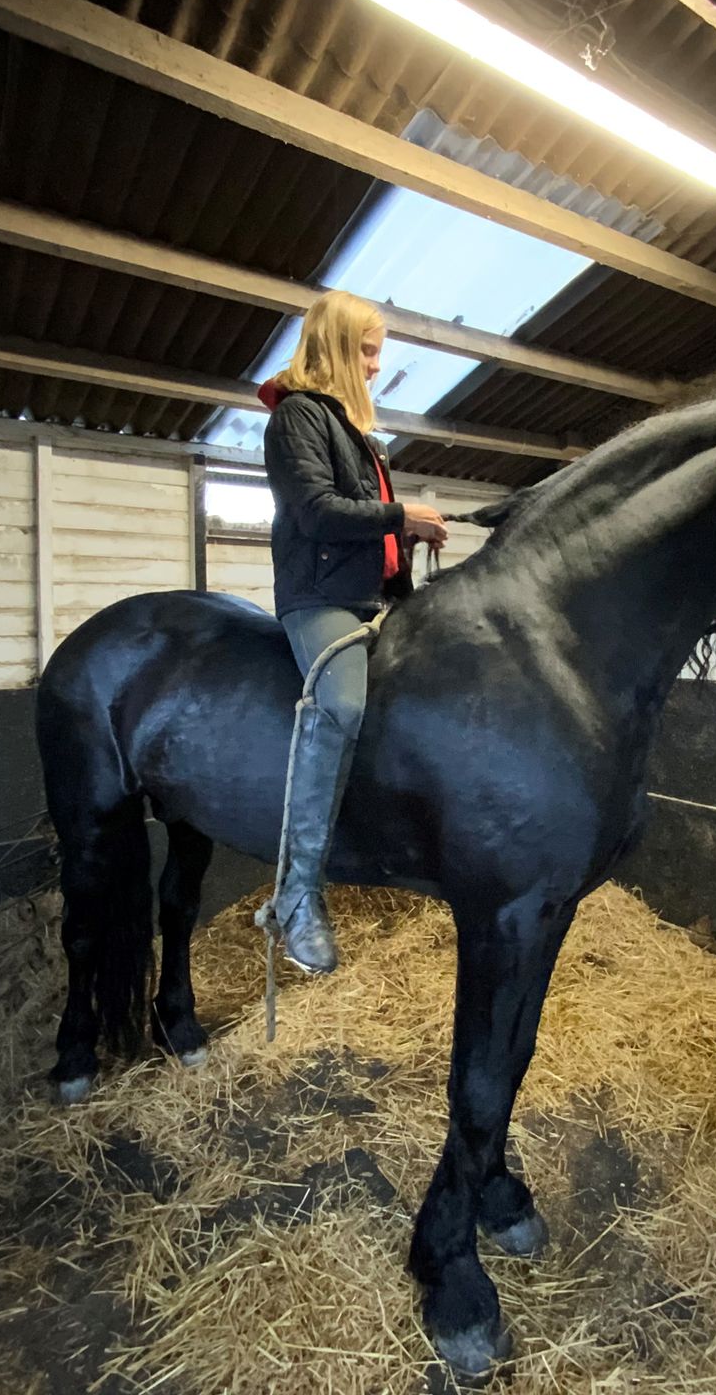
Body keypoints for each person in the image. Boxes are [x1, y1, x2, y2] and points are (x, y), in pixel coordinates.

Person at [255, 290, 447, 975]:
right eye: (367, 350)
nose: (374, 366)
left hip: (375, 596)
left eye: (378, 351)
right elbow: (316, 511)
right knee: (340, 705)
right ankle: (295, 897)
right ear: (336, 347)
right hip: (321, 597)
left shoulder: (360, 434)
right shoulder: (299, 418)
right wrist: (405, 515)